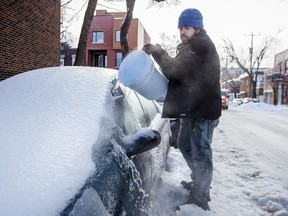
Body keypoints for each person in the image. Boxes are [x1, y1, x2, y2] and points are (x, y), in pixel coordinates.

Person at [142, 8, 222, 211]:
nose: (182, 32)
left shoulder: (200, 46)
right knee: (186, 146)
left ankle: (200, 196)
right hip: (194, 110)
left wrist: (158, 53)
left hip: (203, 112)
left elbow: (175, 71)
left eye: (186, 27)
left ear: (197, 28)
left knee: (201, 153)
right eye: (180, 28)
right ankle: (199, 183)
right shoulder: (192, 45)